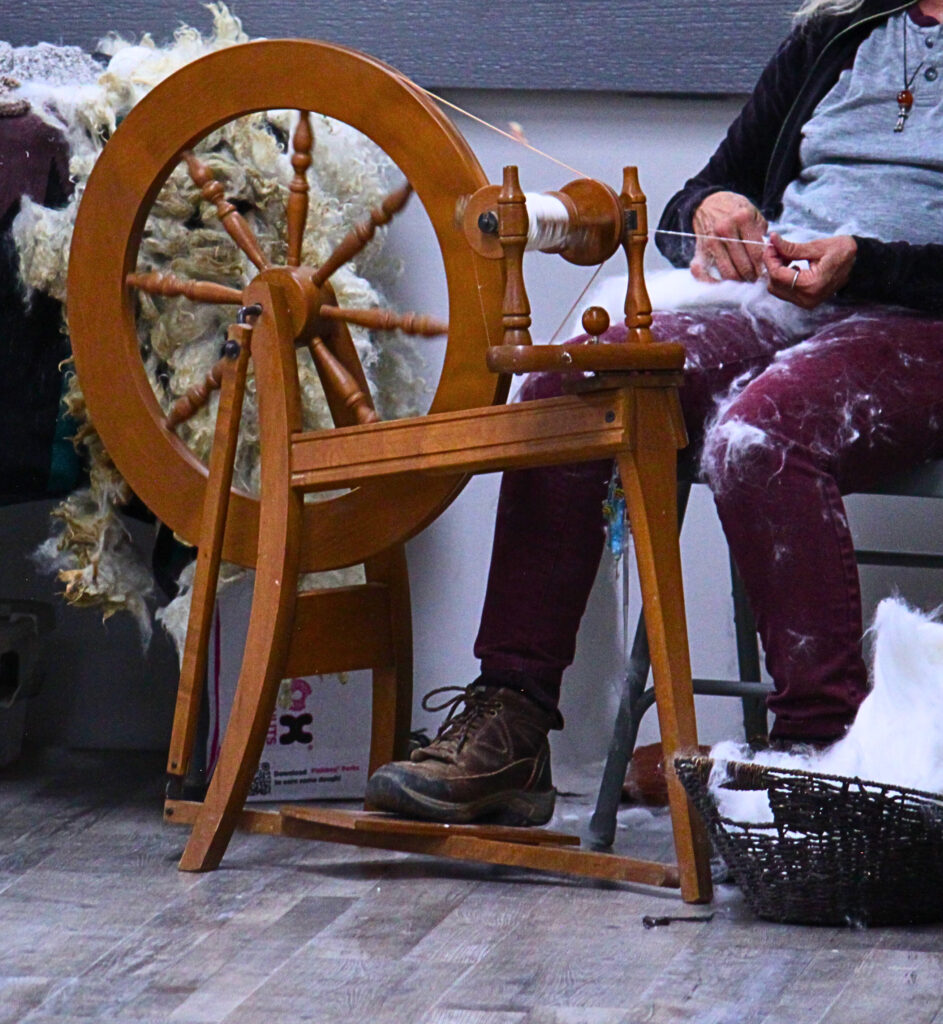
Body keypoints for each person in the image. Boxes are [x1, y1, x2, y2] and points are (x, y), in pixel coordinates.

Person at [366, 0, 943, 826]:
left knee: (759, 436)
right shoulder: (835, 35)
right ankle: (511, 723)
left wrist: (866, 263)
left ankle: (823, 764)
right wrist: (716, 213)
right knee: (572, 392)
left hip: (922, 326)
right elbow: (693, 202)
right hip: (784, 300)